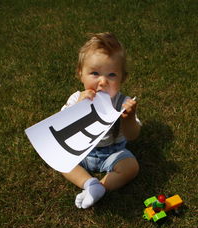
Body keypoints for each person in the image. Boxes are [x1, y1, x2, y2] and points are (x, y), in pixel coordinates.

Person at [61, 32, 142, 209]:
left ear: (122, 78)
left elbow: (133, 135)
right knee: (61, 161)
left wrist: (128, 119)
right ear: (80, 74)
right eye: (95, 73)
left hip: (112, 153)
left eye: (112, 75)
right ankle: (89, 184)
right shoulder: (76, 99)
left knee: (131, 166)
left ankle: (101, 187)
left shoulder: (123, 103)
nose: (103, 81)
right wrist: (78, 109)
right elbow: (63, 129)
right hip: (82, 151)